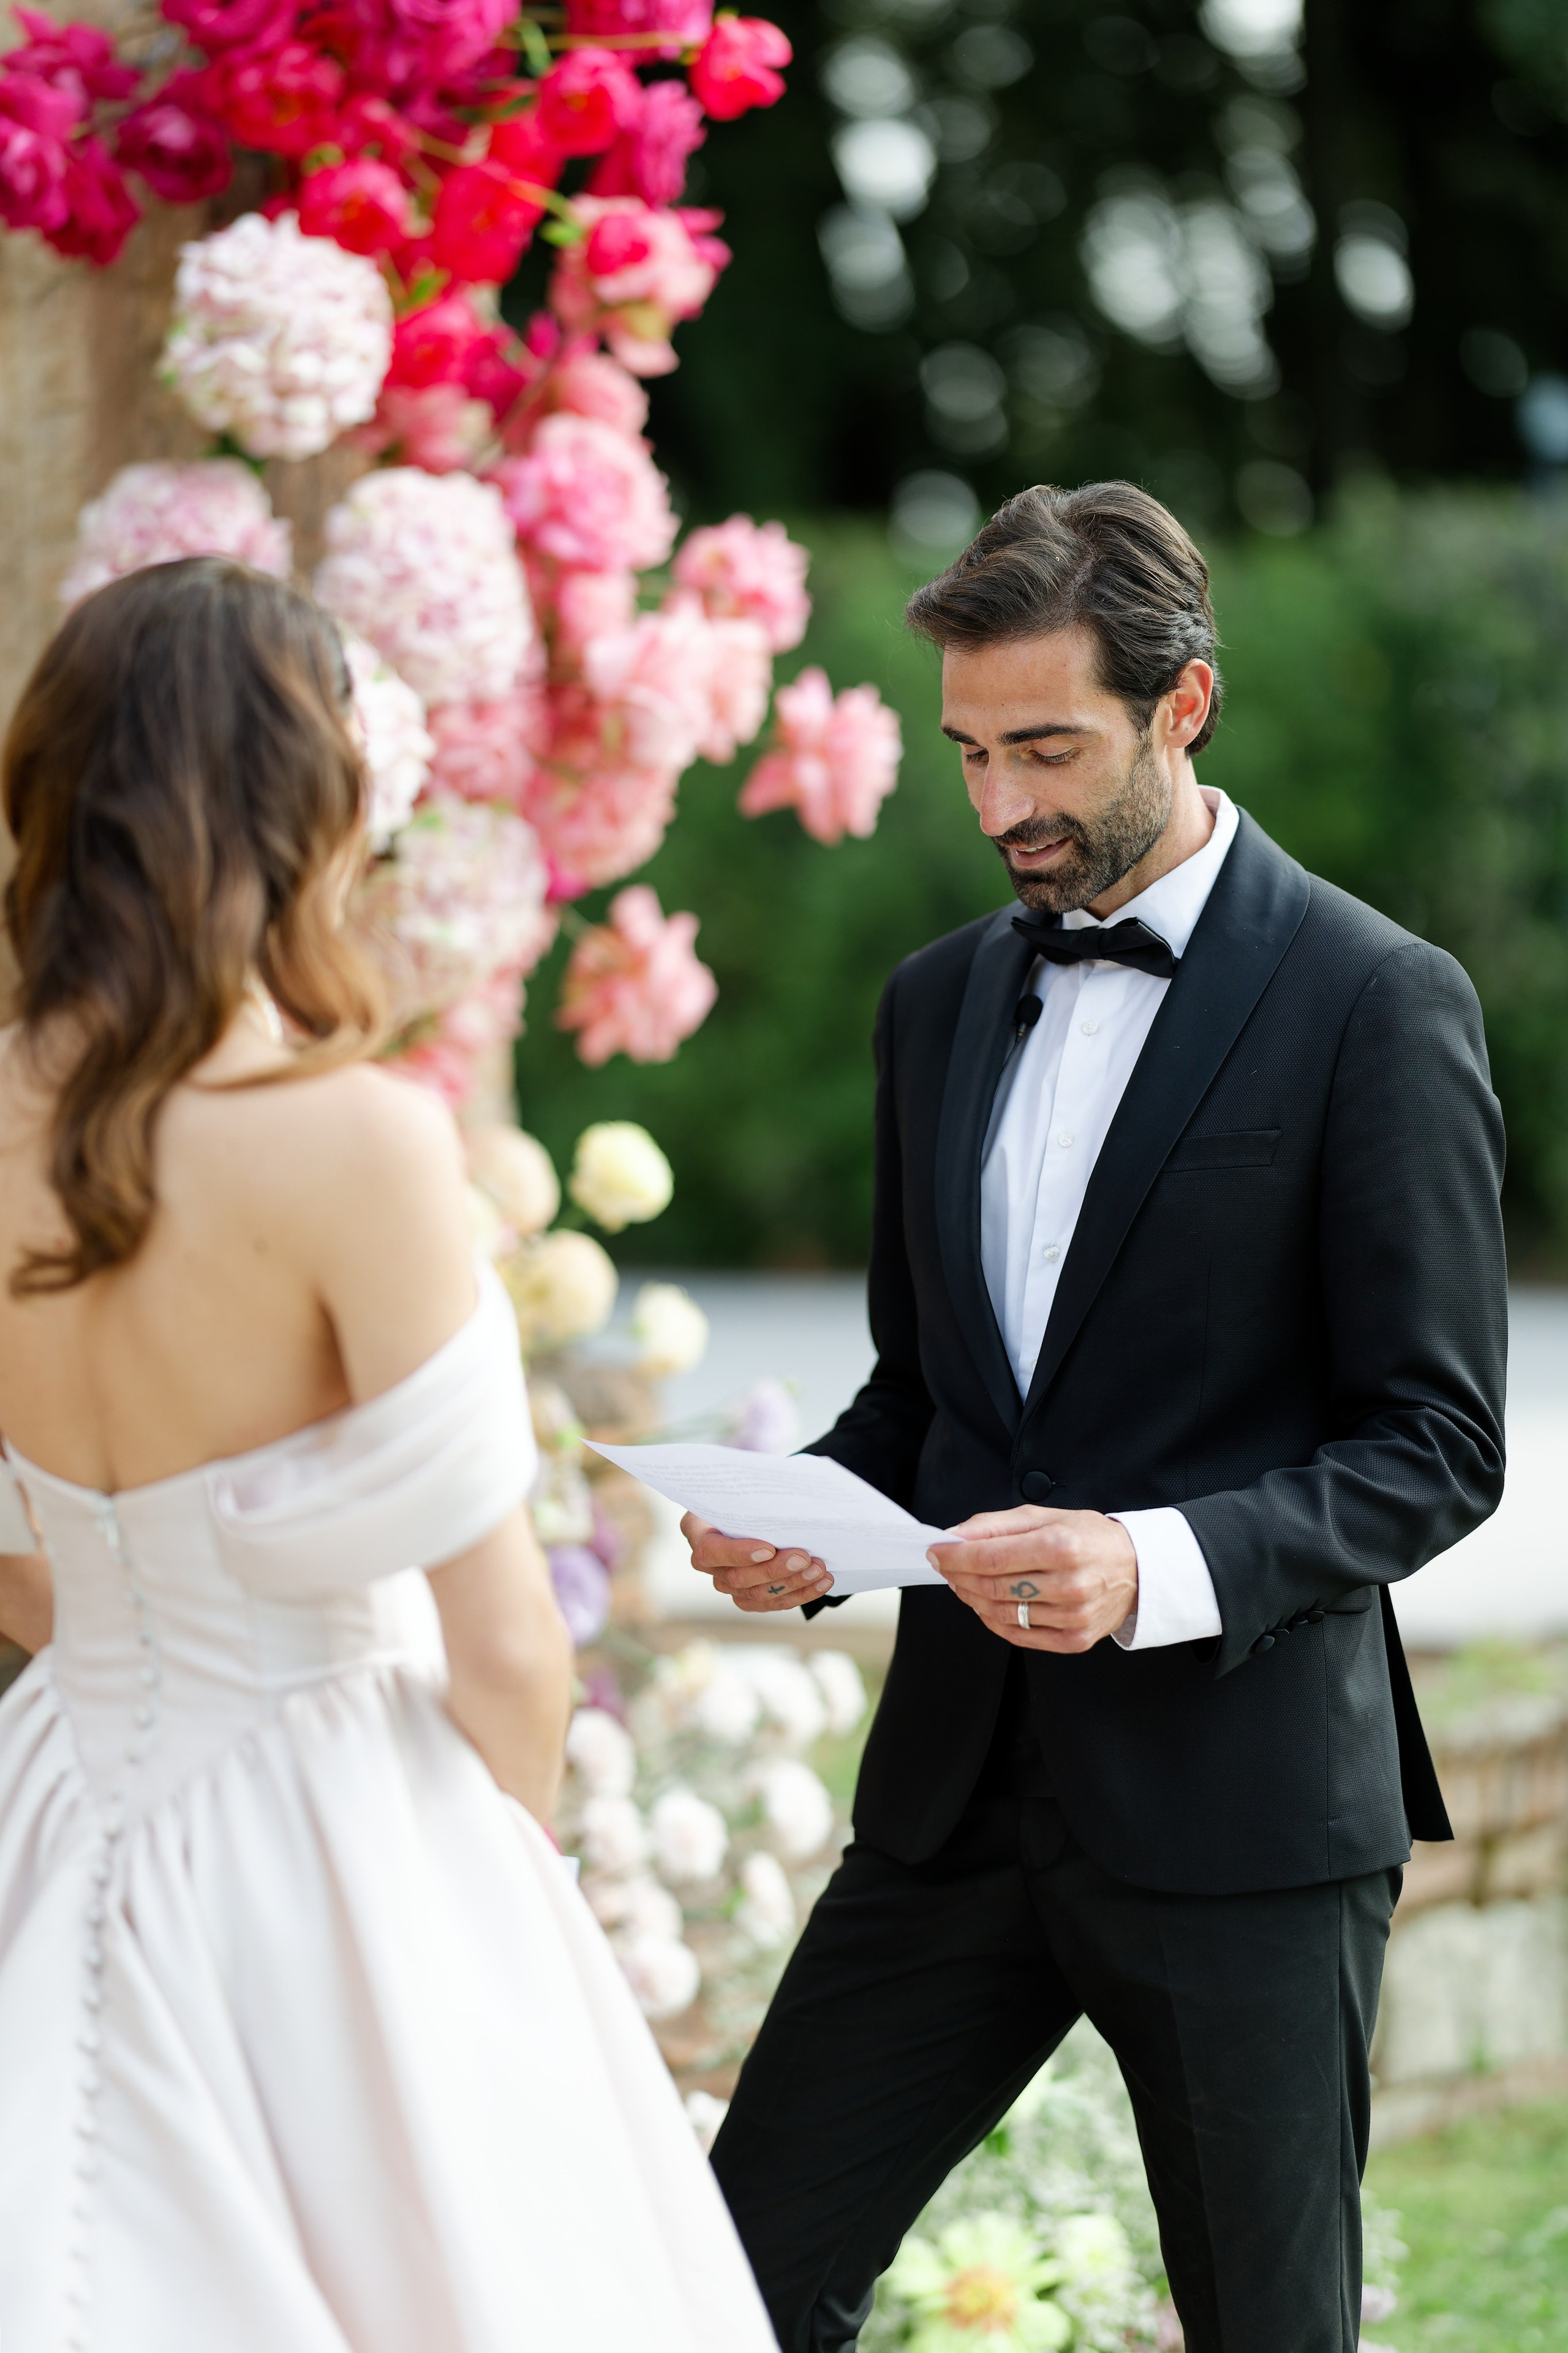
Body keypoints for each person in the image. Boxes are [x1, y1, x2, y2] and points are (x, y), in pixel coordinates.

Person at [683, 483, 1507, 2353]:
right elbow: (933, 1391)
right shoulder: (937, 1003)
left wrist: (1147, 1564)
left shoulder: (1382, 1002)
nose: (998, 808)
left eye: (1046, 748)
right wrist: (805, 1514)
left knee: (1265, 2329)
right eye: (969, 751)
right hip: (955, 1798)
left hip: (1245, 1817)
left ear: (1183, 707)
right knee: (721, 2285)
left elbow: (1441, 1441)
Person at [0, 558, 778, 2353]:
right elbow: (505, 1643)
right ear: (307, 807)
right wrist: (474, 1912)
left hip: (62, 1798)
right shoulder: (352, 1137)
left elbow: (29, 1563)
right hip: (335, 1825)